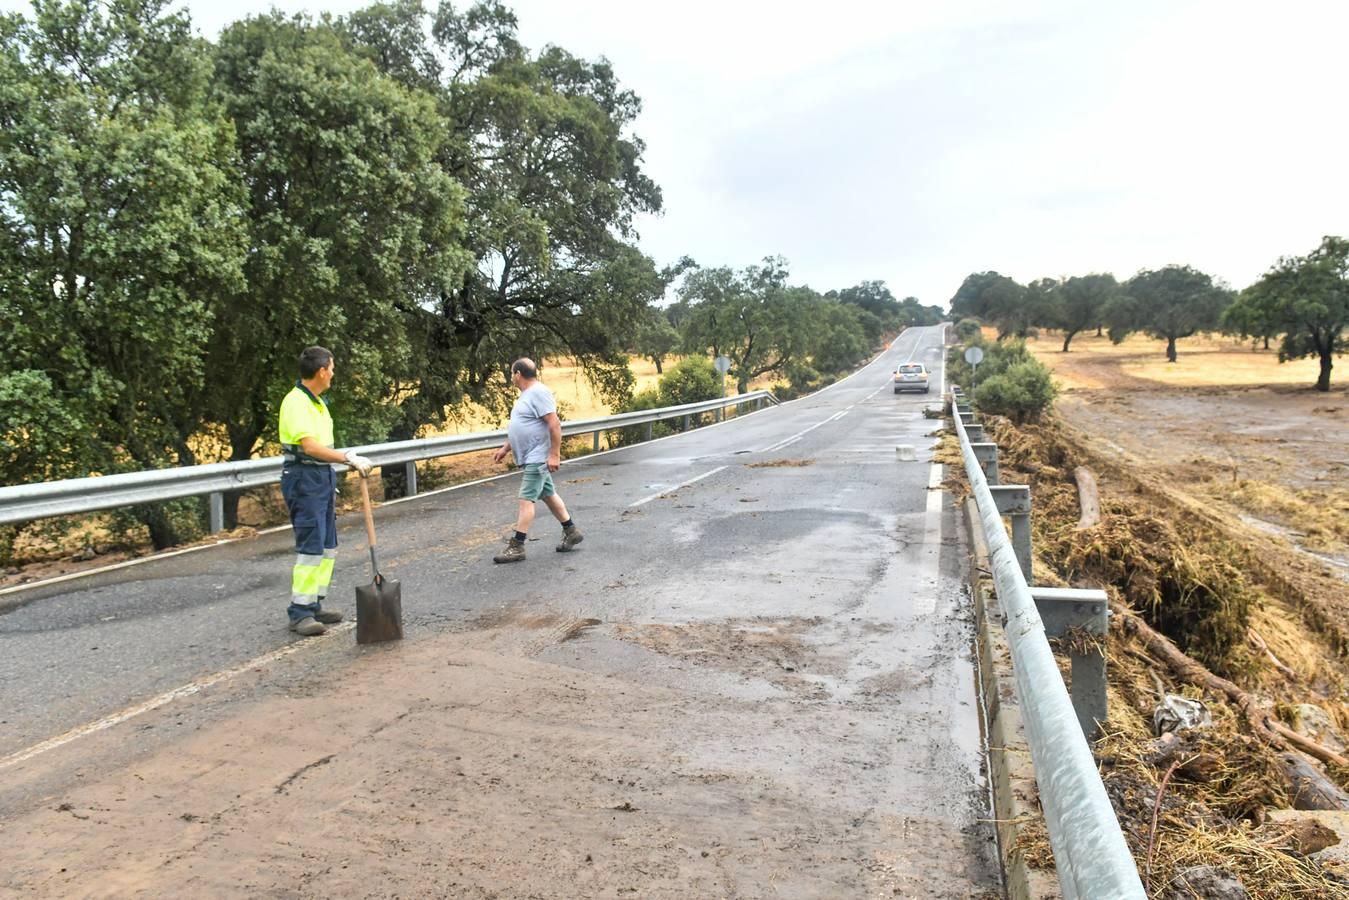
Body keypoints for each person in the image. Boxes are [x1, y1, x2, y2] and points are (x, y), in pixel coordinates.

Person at [277, 346, 373, 636]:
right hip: (303, 477)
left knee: (327, 546)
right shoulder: (296, 403)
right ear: (321, 371)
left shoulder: (317, 402)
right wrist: (346, 458)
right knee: (311, 546)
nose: (333, 374)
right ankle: (300, 612)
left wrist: (341, 460)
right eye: (331, 368)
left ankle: (315, 603)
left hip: (320, 477)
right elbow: (310, 447)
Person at [491, 358, 583, 563]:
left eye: (511, 373)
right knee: (549, 495)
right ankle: (571, 531)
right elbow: (522, 426)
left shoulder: (539, 392)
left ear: (517, 374)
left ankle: (517, 546)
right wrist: (506, 448)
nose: (511, 377)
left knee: (526, 500)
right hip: (532, 456)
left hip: (538, 458)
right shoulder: (527, 395)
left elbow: (554, 424)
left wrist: (554, 455)